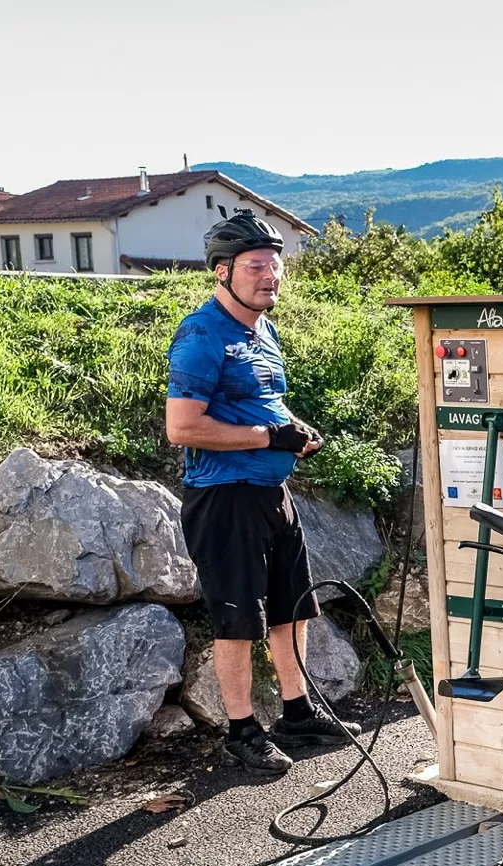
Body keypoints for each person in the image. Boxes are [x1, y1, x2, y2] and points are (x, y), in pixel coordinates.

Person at [165, 213, 356, 773]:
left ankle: (296, 714)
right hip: (224, 497)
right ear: (222, 272)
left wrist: (294, 431)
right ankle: (242, 731)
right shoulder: (202, 334)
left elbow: (265, 407)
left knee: (293, 609)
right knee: (238, 618)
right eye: (255, 266)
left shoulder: (263, 330)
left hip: (271, 491)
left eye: (275, 265)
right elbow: (183, 427)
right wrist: (270, 436)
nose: (269, 275)